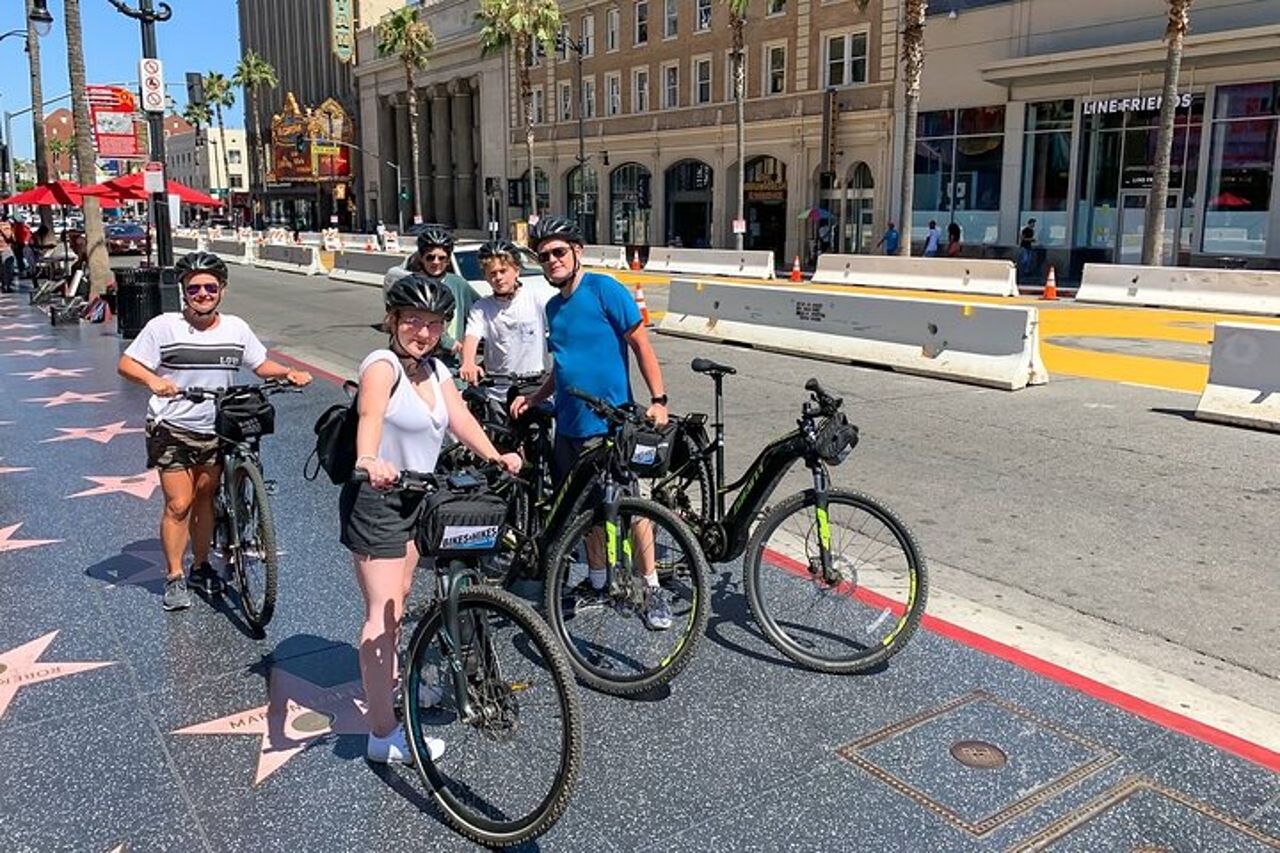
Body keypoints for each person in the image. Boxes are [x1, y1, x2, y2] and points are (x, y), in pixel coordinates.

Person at [342, 273, 522, 765]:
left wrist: (495, 456)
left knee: (400, 599)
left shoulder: (437, 369)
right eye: (413, 321)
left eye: (434, 323)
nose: (423, 332)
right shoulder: (381, 366)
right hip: (378, 499)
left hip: (419, 496)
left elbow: (460, 419)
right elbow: (370, 418)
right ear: (392, 320)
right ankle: (382, 734)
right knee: (383, 612)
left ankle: (394, 683)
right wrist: (368, 460)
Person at [117, 252, 312, 612]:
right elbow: (127, 364)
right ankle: (174, 576)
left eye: (210, 287)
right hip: (172, 425)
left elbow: (259, 363)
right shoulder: (164, 327)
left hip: (218, 427)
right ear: (183, 291)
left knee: (205, 497)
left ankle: (201, 565)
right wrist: (153, 380)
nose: (203, 294)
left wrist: (288, 372)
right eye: (194, 288)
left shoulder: (236, 328)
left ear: (222, 289)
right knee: (179, 503)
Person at [510, 215, 673, 629]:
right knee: (584, 512)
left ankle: (651, 586)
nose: (552, 261)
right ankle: (598, 581)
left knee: (633, 508)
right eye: (544, 256)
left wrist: (658, 400)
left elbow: (640, 344)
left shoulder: (605, 289)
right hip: (569, 427)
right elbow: (563, 366)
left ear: (577, 251)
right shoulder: (553, 307)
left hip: (611, 426)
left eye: (559, 252)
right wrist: (537, 398)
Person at [459, 239, 551, 398]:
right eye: (492, 273)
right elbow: (471, 337)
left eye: (503, 271)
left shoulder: (537, 299)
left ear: (516, 270)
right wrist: (468, 362)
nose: (498, 277)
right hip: (497, 389)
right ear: (486, 277)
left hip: (535, 388)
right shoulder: (482, 307)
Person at [405, 227, 475, 374]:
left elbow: (479, 312)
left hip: (452, 365)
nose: (436, 262)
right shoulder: (412, 284)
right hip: (418, 362)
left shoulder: (458, 284)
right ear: (421, 258)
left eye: (442, 258)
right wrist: (446, 342)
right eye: (430, 257)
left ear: (448, 260)